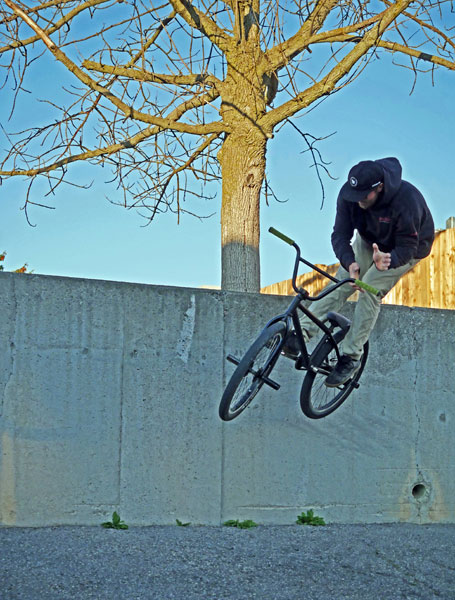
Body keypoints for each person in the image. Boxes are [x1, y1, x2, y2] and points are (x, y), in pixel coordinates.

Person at [283, 157, 435, 387]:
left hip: (407, 249)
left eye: (365, 196)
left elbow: (406, 247)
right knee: (345, 279)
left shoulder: (407, 200)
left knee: (369, 286)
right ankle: (302, 333)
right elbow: (340, 235)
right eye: (356, 196)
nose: (359, 201)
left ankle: (351, 357)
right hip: (369, 240)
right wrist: (350, 263)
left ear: (379, 187)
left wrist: (389, 259)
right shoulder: (349, 197)